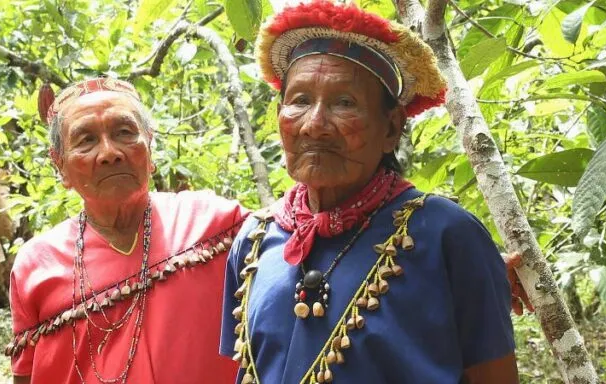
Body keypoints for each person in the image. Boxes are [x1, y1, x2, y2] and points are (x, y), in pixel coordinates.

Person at [218, 1, 517, 384]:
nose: (314, 124)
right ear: (279, 116)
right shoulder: (254, 241)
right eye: (300, 101)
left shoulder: (447, 234)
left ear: (391, 128)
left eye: (344, 103)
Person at [7, 78, 246, 383]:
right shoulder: (36, 264)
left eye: (124, 132)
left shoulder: (215, 222)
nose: (109, 153)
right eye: (86, 140)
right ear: (60, 166)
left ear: (150, 145)